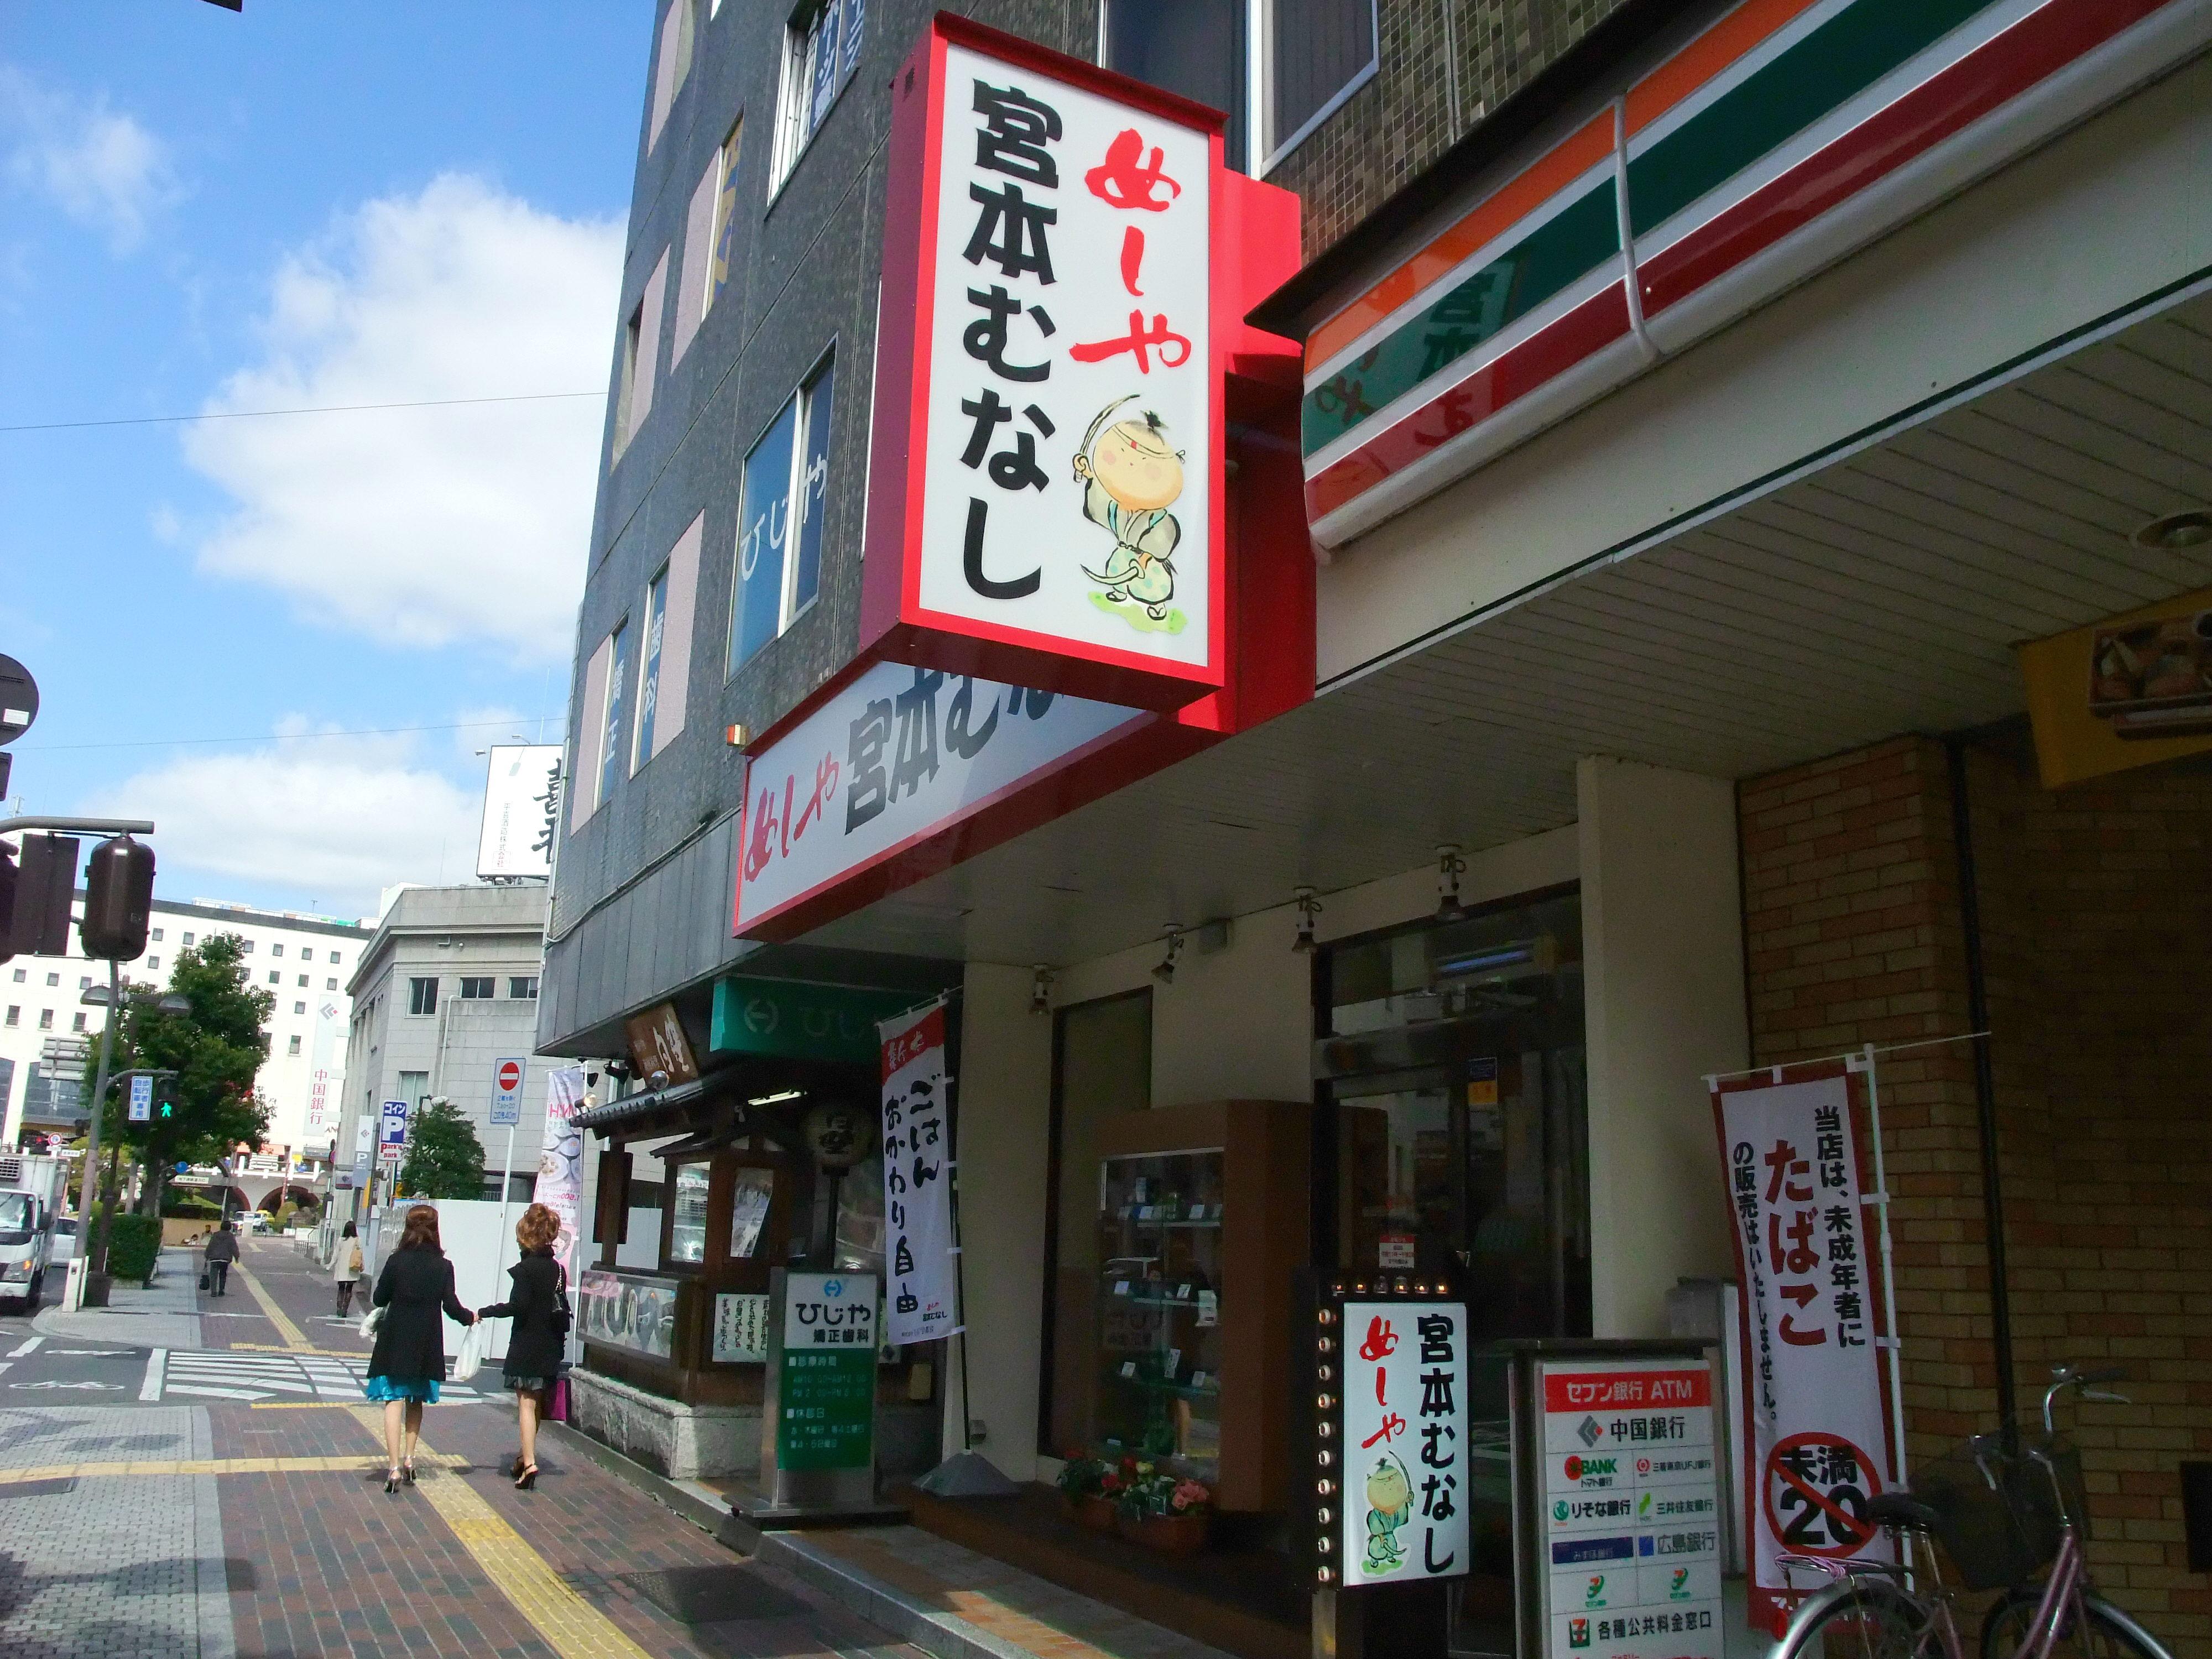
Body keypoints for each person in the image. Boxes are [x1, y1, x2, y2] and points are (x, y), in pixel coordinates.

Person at [363, 1204, 475, 1494]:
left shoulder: (396, 1261)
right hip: (426, 1339)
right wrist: (470, 1318)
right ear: (436, 1229)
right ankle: (410, 1459)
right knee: (416, 1401)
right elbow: (451, 1305)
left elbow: (379, 1298)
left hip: (396, 1336)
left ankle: (393, 1467)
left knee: (393, 1399)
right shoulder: (443, 1265)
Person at [474, 1203, 567, 1491]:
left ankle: (529, 1463)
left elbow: (518, 1306)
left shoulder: (525, 1270)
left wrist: (486, 1311)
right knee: (536, 1402)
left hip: (527, 1342)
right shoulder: (558, 1270)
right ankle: (523, 1456)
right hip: (551, 1343)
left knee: (526, 1403)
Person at [332, 1220, 363, 1317]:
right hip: (352, 1268)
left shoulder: (341, 1240)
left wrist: (330, 1265)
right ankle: (345, 1310)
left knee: (341, 1288)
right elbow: (360, 1254)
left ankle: (339, 1308)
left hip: (342, 1268)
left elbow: (336, 1254)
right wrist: (362, 1265)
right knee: (349, 1289)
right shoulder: (358, 1240)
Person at [202, 1220, 239, 1296]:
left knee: (213, 1275)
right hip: (225, 1259)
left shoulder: (215, 1235)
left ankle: (213, 1292)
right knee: (223, 1275)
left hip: (214, 1258)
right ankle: (221, 1290)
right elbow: (234, 1247)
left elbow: (211, 1245)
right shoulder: (230, 1236)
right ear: (230, 1228)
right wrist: (237, 1257)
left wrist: (207, 1255)